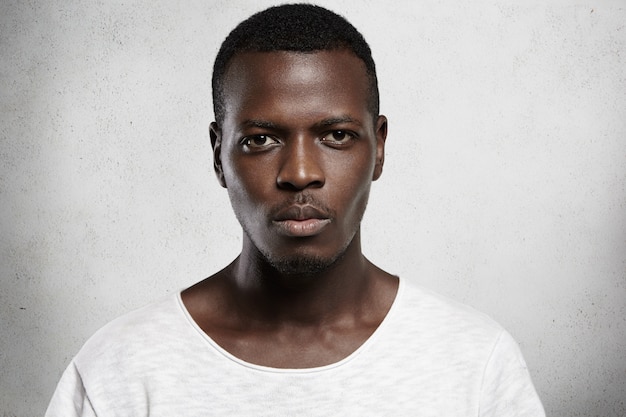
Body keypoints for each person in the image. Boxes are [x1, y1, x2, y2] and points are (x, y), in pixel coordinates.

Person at [46, 4, 545, 416]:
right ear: (219, 154)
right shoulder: (121, 372)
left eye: (336, 136)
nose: (300, 172)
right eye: (261, 139)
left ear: (380, 148)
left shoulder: (474, 363)